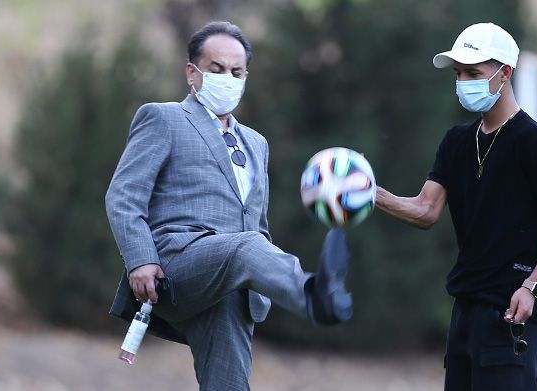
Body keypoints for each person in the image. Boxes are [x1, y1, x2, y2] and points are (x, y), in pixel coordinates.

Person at [105, 21, 353, 390]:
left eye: (237, 72)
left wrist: (258, 289)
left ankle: (303, 292)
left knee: (229, 385)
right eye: (217, 69)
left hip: (232, 287)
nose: (228, 78)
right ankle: (313, 296)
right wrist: (140, 259)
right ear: (192, 72)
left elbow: (258, 221)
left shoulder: (256, 143)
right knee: (249, 245)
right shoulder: (164, 118)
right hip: (177, 263)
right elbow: (124, 195)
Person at [375, 22, 537, 391]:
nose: (463, 82)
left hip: (511, 310)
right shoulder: (456, 140)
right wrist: (371, 194)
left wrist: (531, 285)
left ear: (505, 73)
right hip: (466, 309)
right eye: (458, 74)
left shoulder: (534, 142)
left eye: (473, 73)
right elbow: (426, 210)